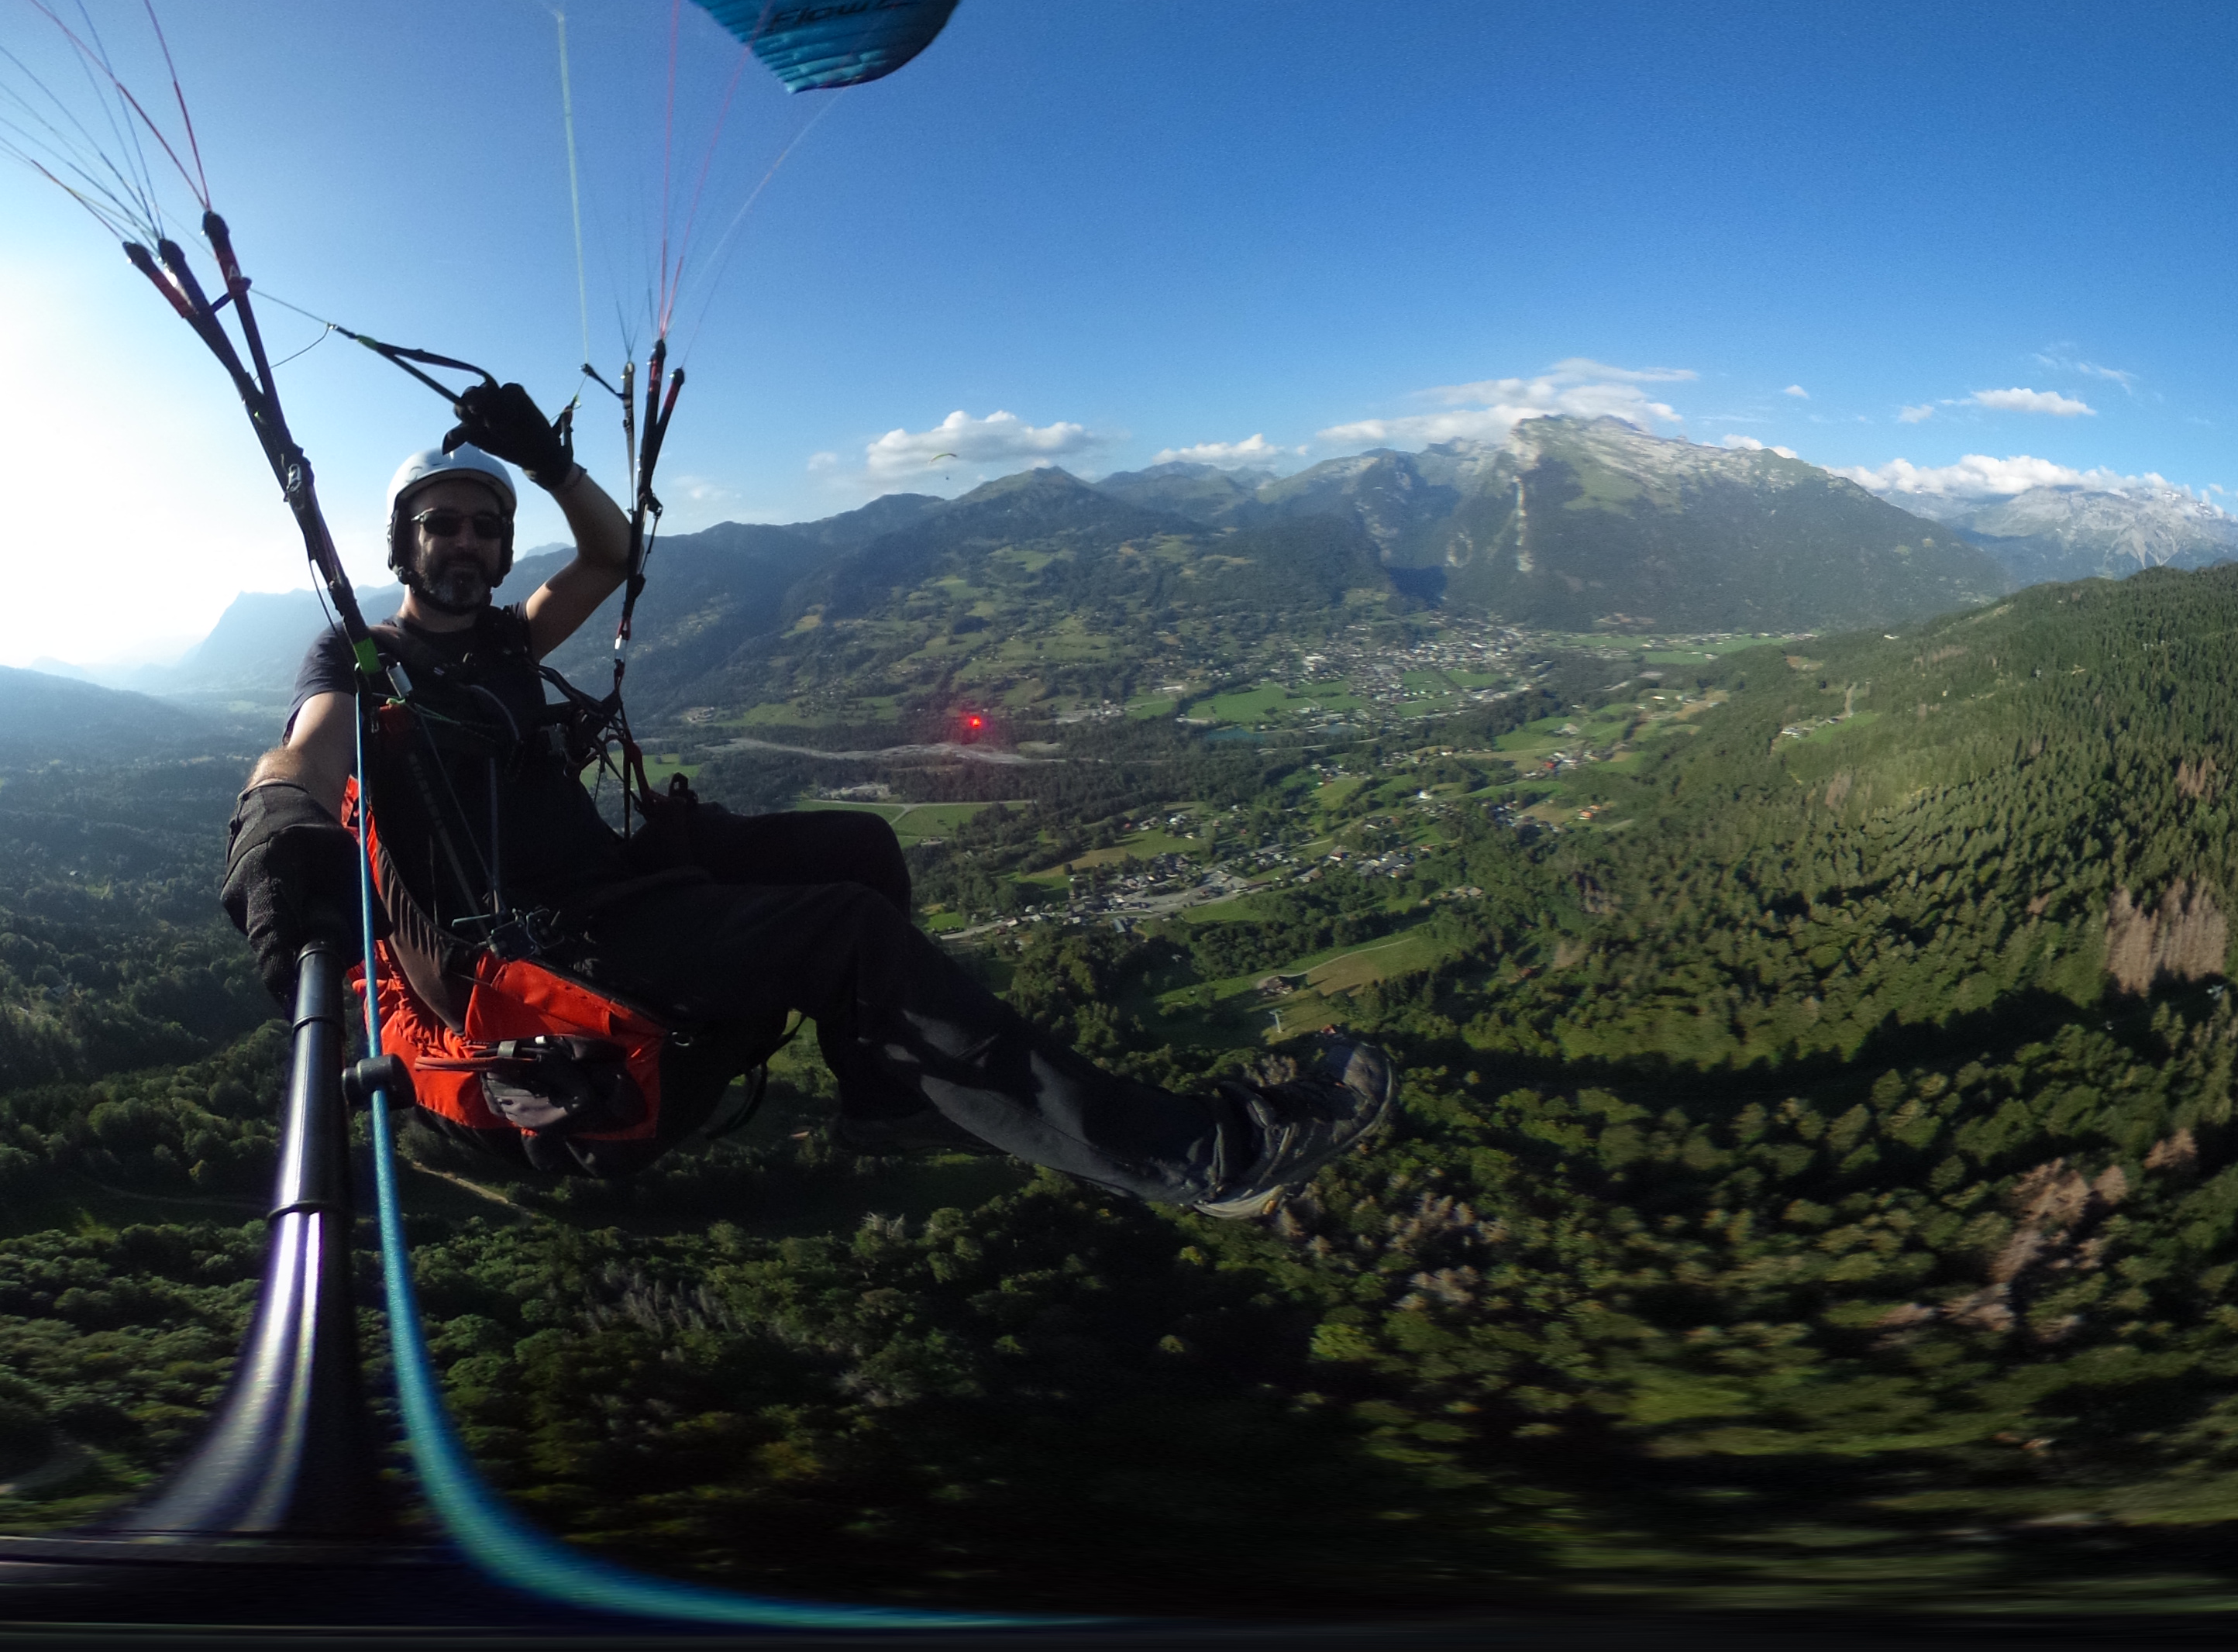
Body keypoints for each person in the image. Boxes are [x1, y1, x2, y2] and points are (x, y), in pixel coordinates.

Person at [219, 381, 1393, 1217]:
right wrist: (277, 836)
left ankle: (886, 1096)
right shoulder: (365, 662)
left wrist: (552, 468)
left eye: (486, 527)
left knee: (861, 847)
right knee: (849, 933)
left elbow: (612, 557)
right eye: (442, 527)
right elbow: (305, 756)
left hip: (609, 890)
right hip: (540, 953)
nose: (467, 544)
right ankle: (1202, 1158)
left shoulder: (509, 643)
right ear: (403, 546)